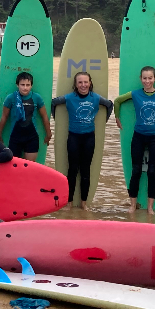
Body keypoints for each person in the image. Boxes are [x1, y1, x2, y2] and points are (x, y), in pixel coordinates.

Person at [114, 66, 155, 214]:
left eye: (150, 78)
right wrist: (117, 118)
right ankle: (133, 205)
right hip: (138, 136)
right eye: (144, 78)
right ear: (141, 79)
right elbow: (117, 101)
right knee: (136, 170)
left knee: (152, 171)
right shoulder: (135, 94)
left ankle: (150, 207)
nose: (147, 81)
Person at [49, 71, 113, 209]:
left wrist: (103, 122)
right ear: (75, 84)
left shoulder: (95, 98)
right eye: (80, 82)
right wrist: (56, 120)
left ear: (90, 83)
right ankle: (69, 202)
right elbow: (53, 103)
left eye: (86, 82)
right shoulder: (69, 98)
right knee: (72, 170)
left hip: (89, 137)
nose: (83, 85)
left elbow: (109, 105)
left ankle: (84, 203)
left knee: (85, 171)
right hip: (73, 137)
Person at [0, 71, 52, 162]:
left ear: (31, 85)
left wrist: (48, 133)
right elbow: (4, 117)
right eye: (22, 84)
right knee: (14, 166)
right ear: (17, 85)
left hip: (32, 137)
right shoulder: (11, 98)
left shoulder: (36, 97)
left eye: (28, 85)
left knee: (29, 166)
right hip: (15, 137)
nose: (25, 88)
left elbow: (44, 116)